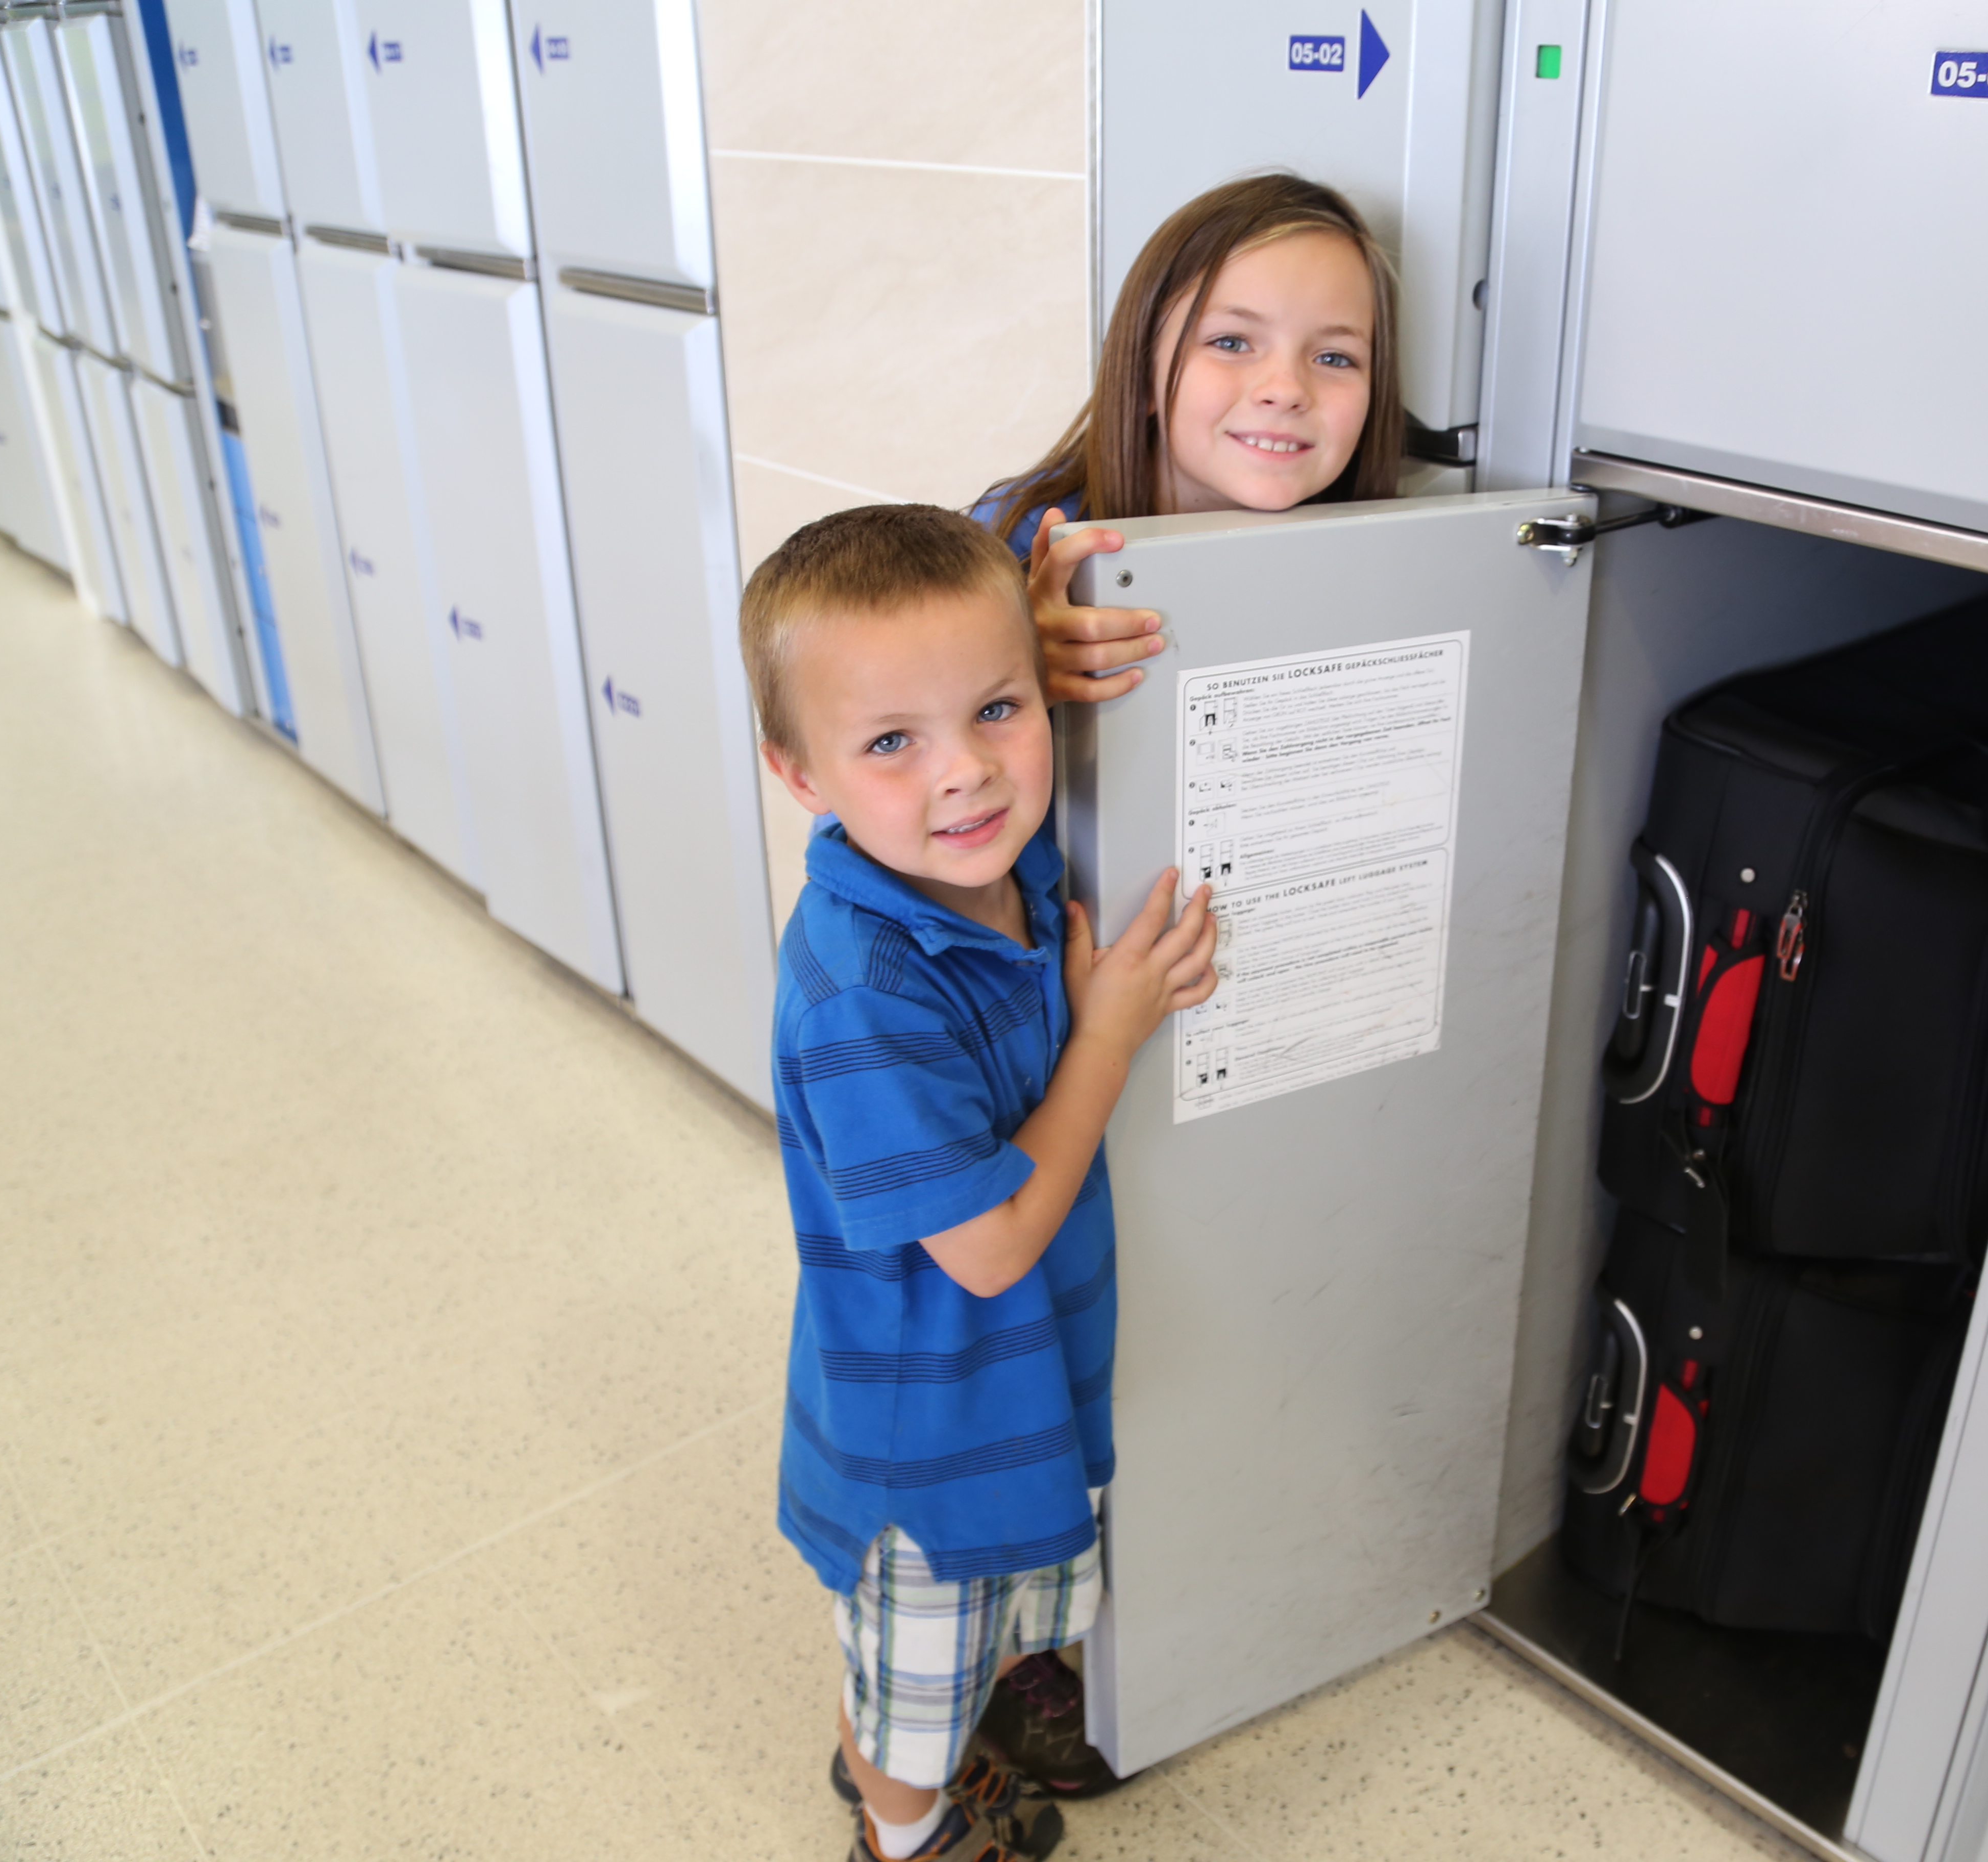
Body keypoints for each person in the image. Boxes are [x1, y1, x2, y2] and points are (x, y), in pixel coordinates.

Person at [744, 504, 1219, 1862]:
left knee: (954, 1670)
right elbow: (995, 1245)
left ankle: (908, 1776)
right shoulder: (863, 993)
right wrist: (1110, 1039)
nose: (965, 776)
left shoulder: (998, 869)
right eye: (892, 741)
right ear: (803, 774)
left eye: (997, 709)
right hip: (926, 1443)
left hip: (1005, 1395)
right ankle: (903, 1835)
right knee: (917, 1699)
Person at [977, 173, 1408, 709]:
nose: (1287, 390)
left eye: (1334, 358)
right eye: (1231, 342)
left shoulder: (1397, 577)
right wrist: (1002, 680)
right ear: (1142, 375)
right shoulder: (1004, 546)